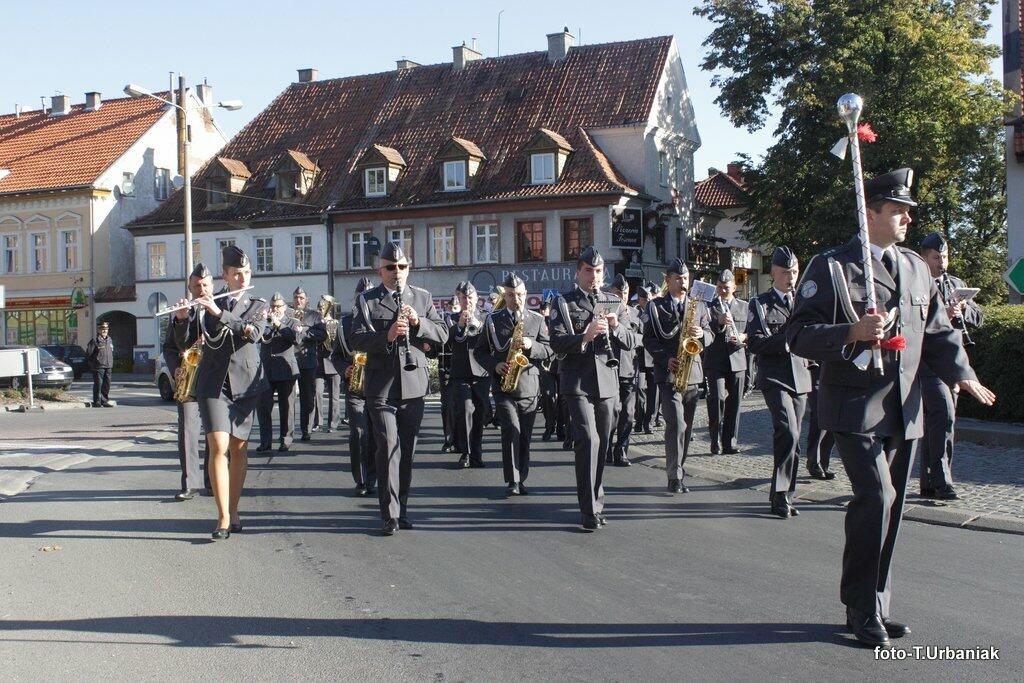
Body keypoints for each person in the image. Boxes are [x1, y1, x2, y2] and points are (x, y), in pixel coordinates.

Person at [787, 167, 995, 647]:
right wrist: (851, 332)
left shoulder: (917, 268)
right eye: (898, 210)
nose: (907, 218)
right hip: (854, 405)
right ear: (871, 213)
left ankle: (876, 603)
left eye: (908, 211)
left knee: (893, 506)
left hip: (903, 406)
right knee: (876, 497)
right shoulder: (832, 266)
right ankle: (860, 606)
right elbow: (797, 335)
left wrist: (962, 373)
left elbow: (939, 332)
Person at [350, 242, 448, 535]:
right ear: (380, 271)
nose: (397, 272)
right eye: (390, 267)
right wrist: (387, 336)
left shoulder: (422, 297)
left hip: (413, 385)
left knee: (406, 452)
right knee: (388, 447)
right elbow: (356, 338)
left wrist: (419, 322)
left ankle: (402, 509)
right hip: (381, 387)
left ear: (408, 268)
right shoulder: (367, 300)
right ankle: (389, 514)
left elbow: (443, 333)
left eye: (402, 267)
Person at [173, 245, 269, 540]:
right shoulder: (207, 303)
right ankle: (223, 517)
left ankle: (234, 509)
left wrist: (219, 313)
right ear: (225, 276)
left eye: (246, 273)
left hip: (245, 384)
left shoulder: (257, 304)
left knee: (239, 449)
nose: (242, 278)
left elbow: (253, 333)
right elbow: (185, 343)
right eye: (236, 273)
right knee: (218, 445)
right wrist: (181, 319)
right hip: (214, 383)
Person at [548, 246, 635, 531]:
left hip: (607, 381)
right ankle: (588, 509)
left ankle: (597, 501)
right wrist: (583, 337)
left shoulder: (613, 301)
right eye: (588, 271)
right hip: (577, 382)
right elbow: (556, 341)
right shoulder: (564, 302)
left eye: (597, 271)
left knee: (603, 443)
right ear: (578, 272)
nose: (593, 276)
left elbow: (631, 341)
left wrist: (615, 326)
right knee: (588, 440)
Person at [918, 231, 984, 500]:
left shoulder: (955, 283)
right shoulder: (917, 282)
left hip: (953, 363)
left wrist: (964, 308)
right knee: (943, 414)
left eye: (944, 257)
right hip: (928, 362)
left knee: (942, 421)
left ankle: (928, 481)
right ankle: (942, 481)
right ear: (924, 258)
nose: (942, 262)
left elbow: (979, 318)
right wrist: (942, 315)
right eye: (936, 257)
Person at [747, 247, 812, 518]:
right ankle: (781, 494)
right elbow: (755, 342)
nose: (791, 277)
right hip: (774, 376)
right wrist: (787, 339)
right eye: (786, 272)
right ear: (773, 272)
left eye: (794, 272)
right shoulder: (760, 304)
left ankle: (785, 494)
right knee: (787, 431)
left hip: (801, 376)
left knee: (795, 439)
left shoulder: (804, 303)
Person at [475, 274, 553, 496]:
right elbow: (480, 351)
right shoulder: (492, 320)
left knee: (525, 435)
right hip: (503, 386)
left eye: (519, 295)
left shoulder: (537, 319)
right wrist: (495, 365)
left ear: (525, 294)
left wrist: (531, 345)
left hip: (529, 386)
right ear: (505, 296)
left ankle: (522, 477)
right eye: (510, 295)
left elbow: (550, 349)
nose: (515, 299)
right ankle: (513, 481)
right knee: (510, 429)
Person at [642, 259, 713, 494]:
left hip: (693, 373)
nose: (683, 282)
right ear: (668, 280)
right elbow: (648, 339)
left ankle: (679, 467)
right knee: (677, 424)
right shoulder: (656, 306)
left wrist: (702, 334)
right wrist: (665, 359)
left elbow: (711, 334)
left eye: (686, 278)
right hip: (668, 374)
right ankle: (674, 476)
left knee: (687, 427)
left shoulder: (698, 305)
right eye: (678, 278)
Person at [164, 262, 213, 500]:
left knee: (214, 432)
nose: (201, 289)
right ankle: (189, 483)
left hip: (215, 377)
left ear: (212, 286)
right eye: (197, 286)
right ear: (190, 289)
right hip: (189, 379)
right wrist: (175, 368)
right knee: (188, 432)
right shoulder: (183, 313)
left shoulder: (220, 309)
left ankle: (213, 481)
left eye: (205, 285)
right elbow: (171, 347)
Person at [338, 277, 377, 496]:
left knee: (376, 434)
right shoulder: (345, 323)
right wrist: (344, 368)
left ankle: (374, 476)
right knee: (359, 432)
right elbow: (336, 355)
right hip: (355, 387)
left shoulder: (381, 319)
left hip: (379, 385)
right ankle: (362, 480)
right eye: (360, 295)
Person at [445, 281, 489, 469]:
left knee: (479, 413)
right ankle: (466, 452)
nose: (467, 301)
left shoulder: (486, 317)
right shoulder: (452, 318)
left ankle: (477, 454)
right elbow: (447, 341)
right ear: (459, 298)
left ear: (477, 299)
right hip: (460, 372)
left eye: (470, 297)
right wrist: (460, 325)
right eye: (463, 298)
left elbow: (489, 339)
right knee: (465, 410)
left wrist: (476, 324)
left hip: (481, 372)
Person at [705, 269, 748, 454]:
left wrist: (744, 336)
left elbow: (753, 331)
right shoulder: (708, 306)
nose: (722, 291)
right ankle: (715, 439)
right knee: (717, 399)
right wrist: (719, 322)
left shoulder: (745, 306)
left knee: (735, 403)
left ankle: (730, 442)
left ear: (734, 287)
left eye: (726, 288)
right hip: (715, 360)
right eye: (720, 287)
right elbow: (703, 328)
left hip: (737, 359)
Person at [256, 292, 299, 453]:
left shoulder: (293, 322)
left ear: (285, 307)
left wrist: (278, 324)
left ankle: (285, 440)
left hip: (285, 370)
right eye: (273, 306)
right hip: (266, 370)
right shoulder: (263, 321)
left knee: (286, 407)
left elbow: (296, 339)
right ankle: (265, 442)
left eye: (278, 306)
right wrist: (262, 320)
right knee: (263, 407)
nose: (275, 309)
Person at [609, 274, 642, 467]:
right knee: (611, 414)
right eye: (618, 293)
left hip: (629, 369)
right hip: (609, 368)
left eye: (626, 293)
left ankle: (621, 451)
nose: (622, 296)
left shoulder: (635, 313)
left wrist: (632, 338)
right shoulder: (605, 310)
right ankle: (606, 448)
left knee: (628, 413)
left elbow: (643, 337)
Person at [290, 287, 326, 441]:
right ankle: (288, 433)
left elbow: (322, 334)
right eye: (296, 297)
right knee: (289, 400)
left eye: (301, 298)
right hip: (289, 361)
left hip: (307, 361)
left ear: (306, 300)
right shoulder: (288, 314)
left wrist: (304, 331)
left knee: (308, 398)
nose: (298, 300)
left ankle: (306, 429)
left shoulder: (315, 315)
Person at [314, 294, 343, 434]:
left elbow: (338, 341)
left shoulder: (335, 323)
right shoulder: (315, 323)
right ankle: (318, 422)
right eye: (319, 308)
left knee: (334, 396)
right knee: (317, 393)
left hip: (333, 362)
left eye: (323, 308)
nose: (321, 310)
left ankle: (333, 424)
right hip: (318, 362)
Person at [437, 291, 460, 453]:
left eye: (456, 307)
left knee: (463, 406)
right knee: (447, 406)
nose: (453, 310)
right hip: (446, 367)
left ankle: (461, 441)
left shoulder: (466, 319)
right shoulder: (443, 321)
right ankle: (449, 439)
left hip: (463, 368)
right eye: (451, 307)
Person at [804, 362, 836, 479]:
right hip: (814, 370)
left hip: (835, 372)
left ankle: (823, 462)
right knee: (820, 414)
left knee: (833, 417)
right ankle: (813, 461)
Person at [635, 283, 659, 434]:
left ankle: (649, 421)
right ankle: (639, 419)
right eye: (644, 299)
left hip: (652, 357)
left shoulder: (655, 313)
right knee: (639, 390)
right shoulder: (634, 313)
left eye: (649, 299)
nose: (647, 302)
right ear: (639, 300)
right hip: (637, 357)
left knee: (653, 392)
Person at [85, 322, 114, 407]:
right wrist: (94, 363)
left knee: (107, 384)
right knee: (98, 384)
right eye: (103, 329)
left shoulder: (109, 339)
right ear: (99, 330)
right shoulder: (95, 340)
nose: (105, 331)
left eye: (106, 329)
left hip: (108, 366)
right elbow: (88, 354)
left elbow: (111, 351)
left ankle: (104, 401)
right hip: (98, 367)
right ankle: (97, 401)